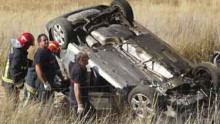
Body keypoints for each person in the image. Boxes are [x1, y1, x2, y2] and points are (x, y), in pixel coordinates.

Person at [1, 32, 34, 104]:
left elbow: (19, 62)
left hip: (10, 79)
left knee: (13, 101)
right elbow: (14, 69)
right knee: (13, 103)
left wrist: (31, 62)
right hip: (11, 81)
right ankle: (10, 114)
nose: (29, 47)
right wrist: (19, 84)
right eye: (29, 45)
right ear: (26, 44)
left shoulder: (17, 48)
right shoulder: (18, 53)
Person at [34, 34, 57, 103]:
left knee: (50, 101)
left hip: (50, 80)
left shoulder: (48, 51)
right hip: (43, 83)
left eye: (47, 40)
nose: (47, 41)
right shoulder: (39, 53)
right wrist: (45, 83)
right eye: (44, 40)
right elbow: (38, 68)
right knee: (43, 102)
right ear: (39, 43)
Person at [69, 51, 91, 116]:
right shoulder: (78, 70)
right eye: (87, 57)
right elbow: (76, 88)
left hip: (83, 98)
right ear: (82, 59)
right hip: (78, 100)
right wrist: (79, 104)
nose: (88, 59)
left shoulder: (83, 68)